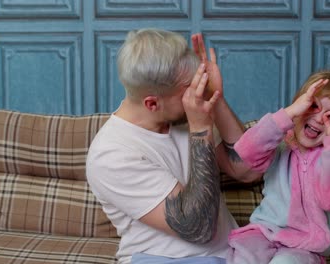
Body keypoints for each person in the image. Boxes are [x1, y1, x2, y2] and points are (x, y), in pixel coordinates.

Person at [86, 28, 259, 264]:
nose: (196, 93)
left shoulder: (188, 113)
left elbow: (247, 170)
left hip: (233, 255)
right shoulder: (111, 154)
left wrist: (215, 97)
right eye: (188, 89)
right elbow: (199, 227)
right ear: (152, 103)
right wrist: (200, 130)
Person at [227, 70, 330, 264]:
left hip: (306, 245)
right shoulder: (278, 142)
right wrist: (288, 113)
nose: (319, 118)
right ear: (300, 103)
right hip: (265, 233)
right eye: (313, 106)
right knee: (242, 257)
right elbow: (247, 151)